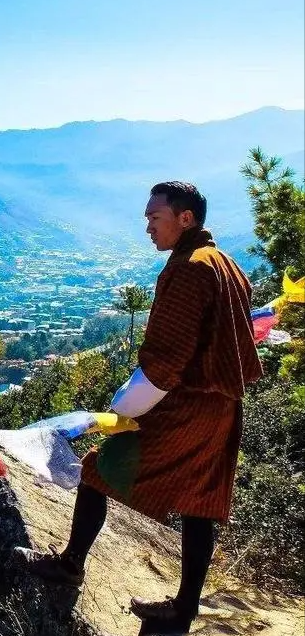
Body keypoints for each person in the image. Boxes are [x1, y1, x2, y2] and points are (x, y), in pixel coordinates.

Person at [14, 181, 262, 635]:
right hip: (223, 406)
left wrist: (122, 409)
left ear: (185, 218)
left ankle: (70, 564)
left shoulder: (190, 268)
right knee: (200, 503)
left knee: (99, 468)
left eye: (154, 217)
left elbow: (167, 360)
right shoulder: (226, 264)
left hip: (186, 405)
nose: (148, 227)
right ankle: (183, 611)